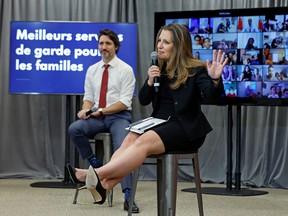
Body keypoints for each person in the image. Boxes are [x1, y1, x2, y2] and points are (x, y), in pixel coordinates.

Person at [67, 23, 228, 206]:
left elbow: (211, 96)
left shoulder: (196, 69)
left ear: (178, 46)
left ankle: (96, 174)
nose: (159, 45)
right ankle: (106, 185)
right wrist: (151, 81)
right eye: (159, 40)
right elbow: (143, 99)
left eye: (165, 42)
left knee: (144, 140)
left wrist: (215, 79)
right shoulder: (158, 68)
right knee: (131, 137)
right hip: (159, 122)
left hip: (185, 127)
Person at [67, 29, 139, 213]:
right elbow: (89, 97)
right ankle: (96, 166)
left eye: (108, 43)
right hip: (97, 117)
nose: (103, 47)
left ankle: (128, 195)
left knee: (124, 148)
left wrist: (100, 111)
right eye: (101, 43)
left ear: (115, 46)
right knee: (75, 129)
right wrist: (85, 109)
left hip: (119, 117)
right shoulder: (92, 70)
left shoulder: (126, 69)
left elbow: (124, 102)